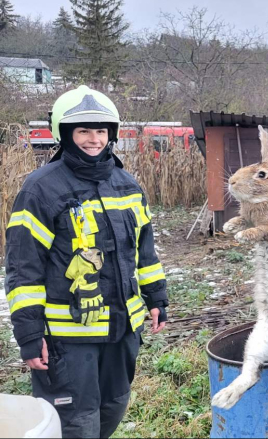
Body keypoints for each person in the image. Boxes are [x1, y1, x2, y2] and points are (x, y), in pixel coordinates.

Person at [4, 86, 169, 438]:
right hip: (68, 339)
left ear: (111, 134)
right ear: (64, 134)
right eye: (83, 131)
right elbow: (24, 269)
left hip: (122, 331)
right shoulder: (40, 189)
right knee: (75, 425)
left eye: (101, 131)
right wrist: (30, 335)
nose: (94, 140)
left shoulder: (127, 185)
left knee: (112, 409)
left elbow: (144, 250)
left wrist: (156, 297)